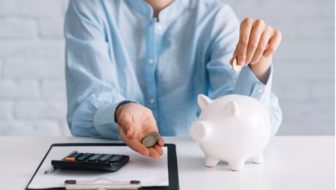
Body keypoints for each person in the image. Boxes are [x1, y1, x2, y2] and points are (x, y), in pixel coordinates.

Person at [64, 0, 282, 159]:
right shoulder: (89, 7)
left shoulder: (216, 18)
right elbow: (82, 112)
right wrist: (121, 110)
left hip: (196, 165)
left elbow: (249, 124)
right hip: (119, 162)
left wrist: (258, 66)